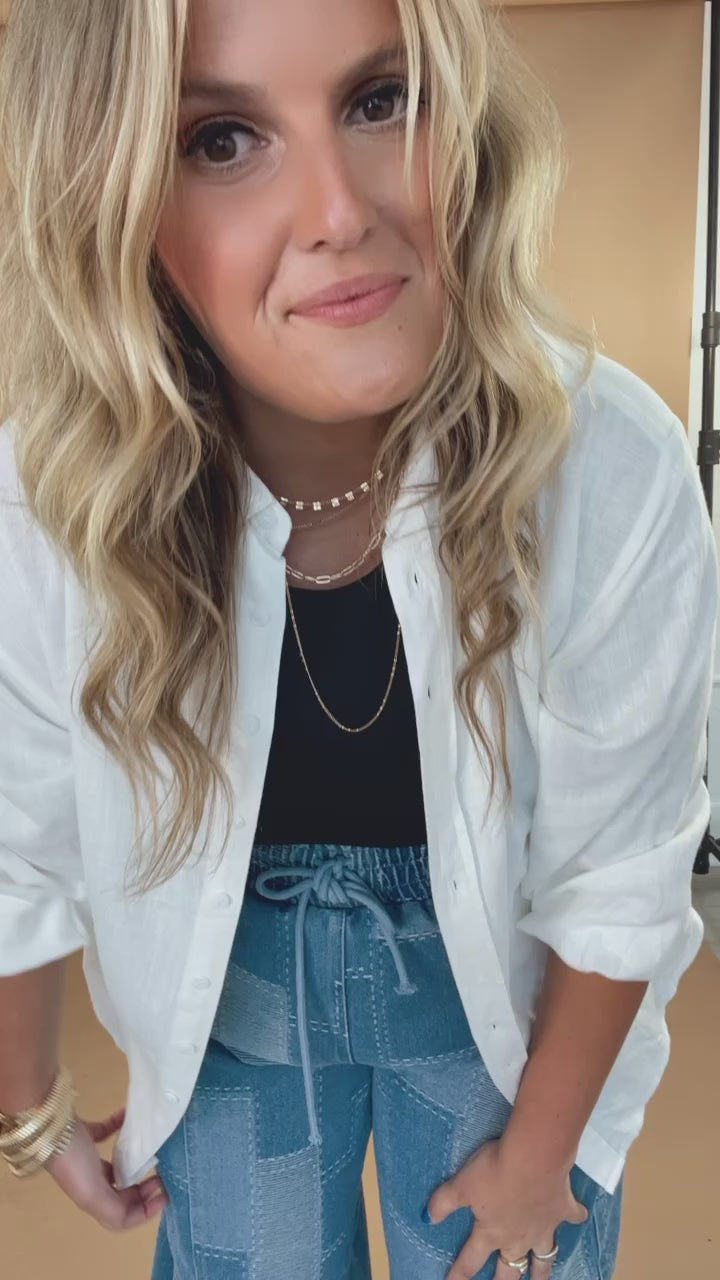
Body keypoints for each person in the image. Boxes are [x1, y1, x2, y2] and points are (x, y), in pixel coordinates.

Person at [0, 0, 716, 1277]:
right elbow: (18, 833)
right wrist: (27, 1105)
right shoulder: (56, 495)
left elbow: (621, 875)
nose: (337, 211)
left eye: (382, 102)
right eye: (220, 139)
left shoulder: (606, 463)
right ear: (110, 196)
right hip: (234, 1019)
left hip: (508, 1020)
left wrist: (542, 1155)